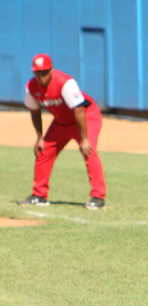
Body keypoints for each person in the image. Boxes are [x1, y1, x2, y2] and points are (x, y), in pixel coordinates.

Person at [18, 53, 107, 210]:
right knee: (43, 150)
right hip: (61, 122)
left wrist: (84, 138)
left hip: (86, 117)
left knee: (88, 150)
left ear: (51, 70)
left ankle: (98, 197)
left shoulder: (65, 82)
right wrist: (39, 137)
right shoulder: (31, 87)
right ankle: (39, 196)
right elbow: (34, 111)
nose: (41, 76)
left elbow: (79, 109)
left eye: (44, 72)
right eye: (38, 73)